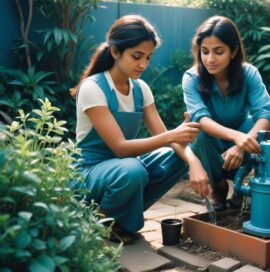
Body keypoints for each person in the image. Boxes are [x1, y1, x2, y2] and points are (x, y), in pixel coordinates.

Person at [72, 15, 209, 244]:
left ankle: (121, 217)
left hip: (124, 167)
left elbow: (165, 136)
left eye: (148, 57)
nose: (143, 64)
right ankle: (100, 217)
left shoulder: (140, 89)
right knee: (133, 169)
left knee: (176, 157)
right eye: (136, 56)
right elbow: (120, 148)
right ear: (116, 52)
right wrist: (171, 135)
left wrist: (193, 161)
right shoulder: (93, 88)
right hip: (90, 171)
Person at [182, 16, 270, 212]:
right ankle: (218, 187)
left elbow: (266, 114)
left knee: (264, 129)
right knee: (198, 131)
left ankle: (243, 188)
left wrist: (241, 145)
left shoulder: (249, 73)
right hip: (212, 142)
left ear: (233, 51)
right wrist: (237, 138)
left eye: (219, 52)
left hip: (242, 135)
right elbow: (201, 118)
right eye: (205, 51)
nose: (210, 59)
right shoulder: (191, 78)